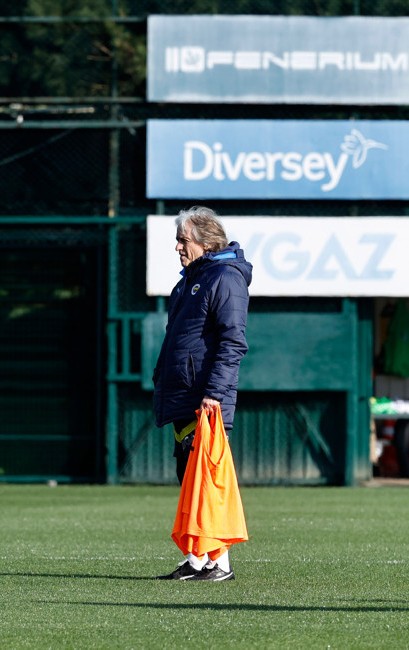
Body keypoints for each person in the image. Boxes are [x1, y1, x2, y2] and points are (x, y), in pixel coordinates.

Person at [152, 206, 252, 582]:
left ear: (207, 242)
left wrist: (213, 392)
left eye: (184, 240)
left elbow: (233, 343)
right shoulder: (190, 280)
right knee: (189, 477)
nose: (178, 247)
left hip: (205, 399)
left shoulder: (225, 277)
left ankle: (219, 562)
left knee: (206, 480)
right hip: (183, 396)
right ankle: (198, 559)